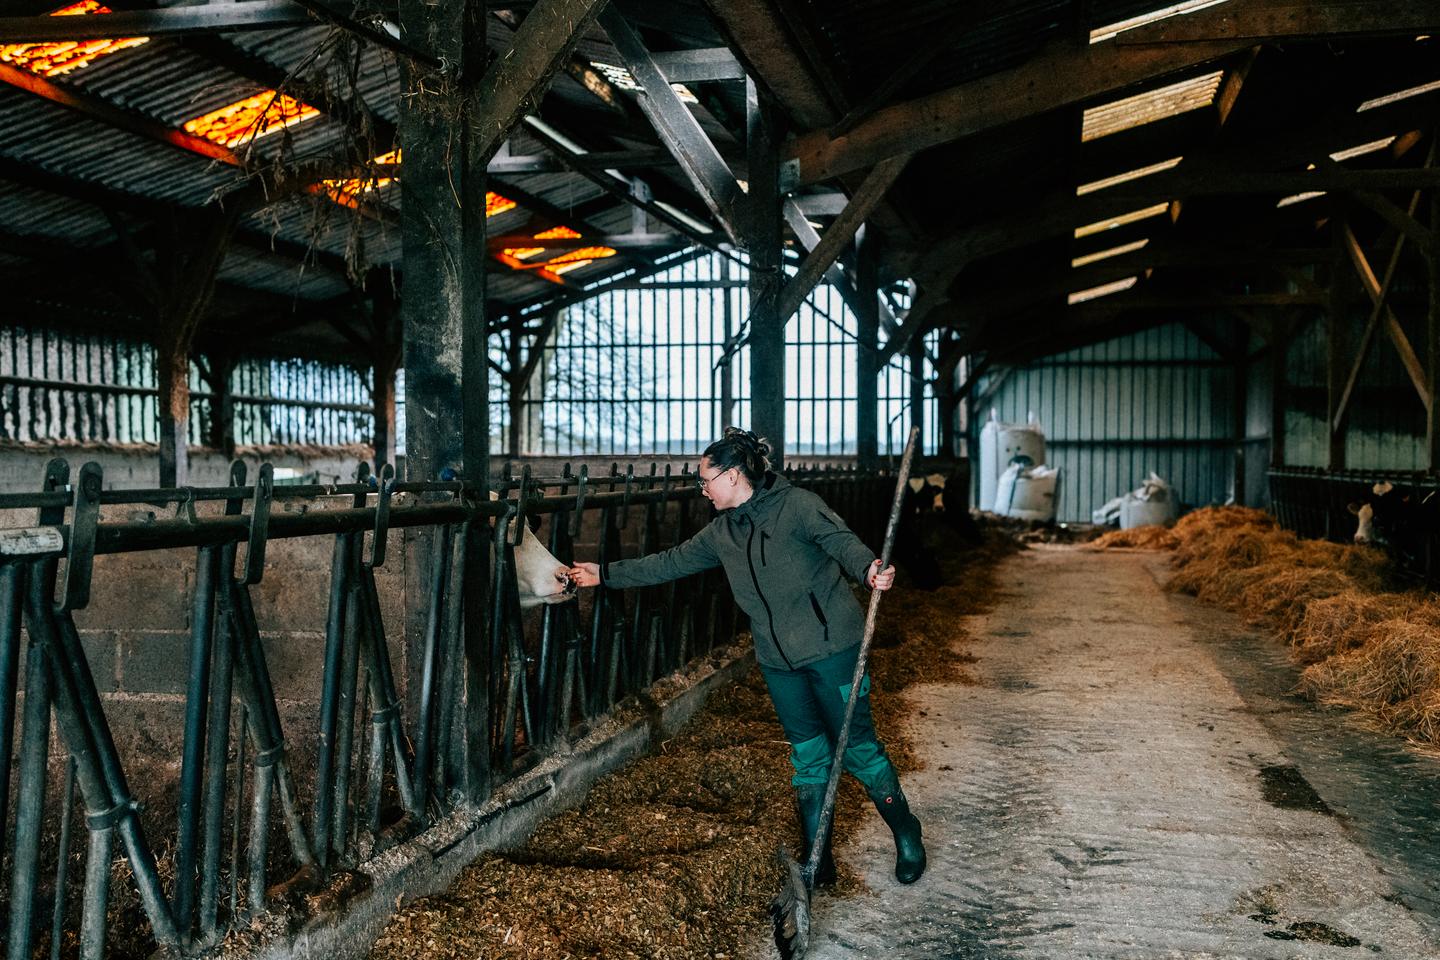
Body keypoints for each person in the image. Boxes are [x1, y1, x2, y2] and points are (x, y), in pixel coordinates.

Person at [567, 427, 926, 886]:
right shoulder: (723, 533)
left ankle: (907, 832)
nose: (702, 489)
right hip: (778, 661)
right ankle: (818, 859)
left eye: (706, 481)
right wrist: (604, 573)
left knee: (857, 749)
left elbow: (840, 540)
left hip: (832, 649)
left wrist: (869, 569)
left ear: (733, 476)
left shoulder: (798, 506)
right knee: (808, 756)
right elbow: (669, 562)